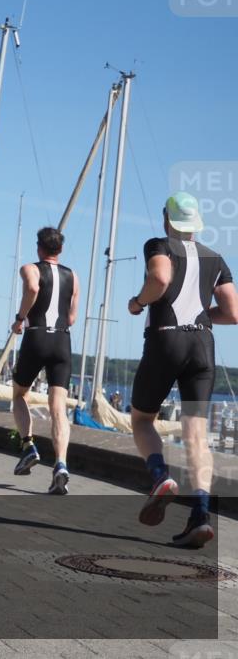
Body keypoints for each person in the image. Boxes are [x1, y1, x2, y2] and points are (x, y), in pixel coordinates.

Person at [127, 192, 236, 547]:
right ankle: (200, 516)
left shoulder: (159, 245)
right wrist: (205, 318)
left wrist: (138, 302)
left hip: (166, 339)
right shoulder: (215, 257)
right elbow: (233, 312)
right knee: (197, 434)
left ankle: (159, 476)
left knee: (142, 419)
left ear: (167, 219)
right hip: (203, 345)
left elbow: (159, 279)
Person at [10, 227, 80, 494]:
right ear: (59, 250)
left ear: (39, 247)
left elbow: (31, 287)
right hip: (62, 341)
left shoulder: (30, 268)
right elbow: (72, 317)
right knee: (58, 408)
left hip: (37, 336)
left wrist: (20, 318)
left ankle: (28, 446)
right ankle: (61, 464)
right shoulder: (73, 276)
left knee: (19, 394)